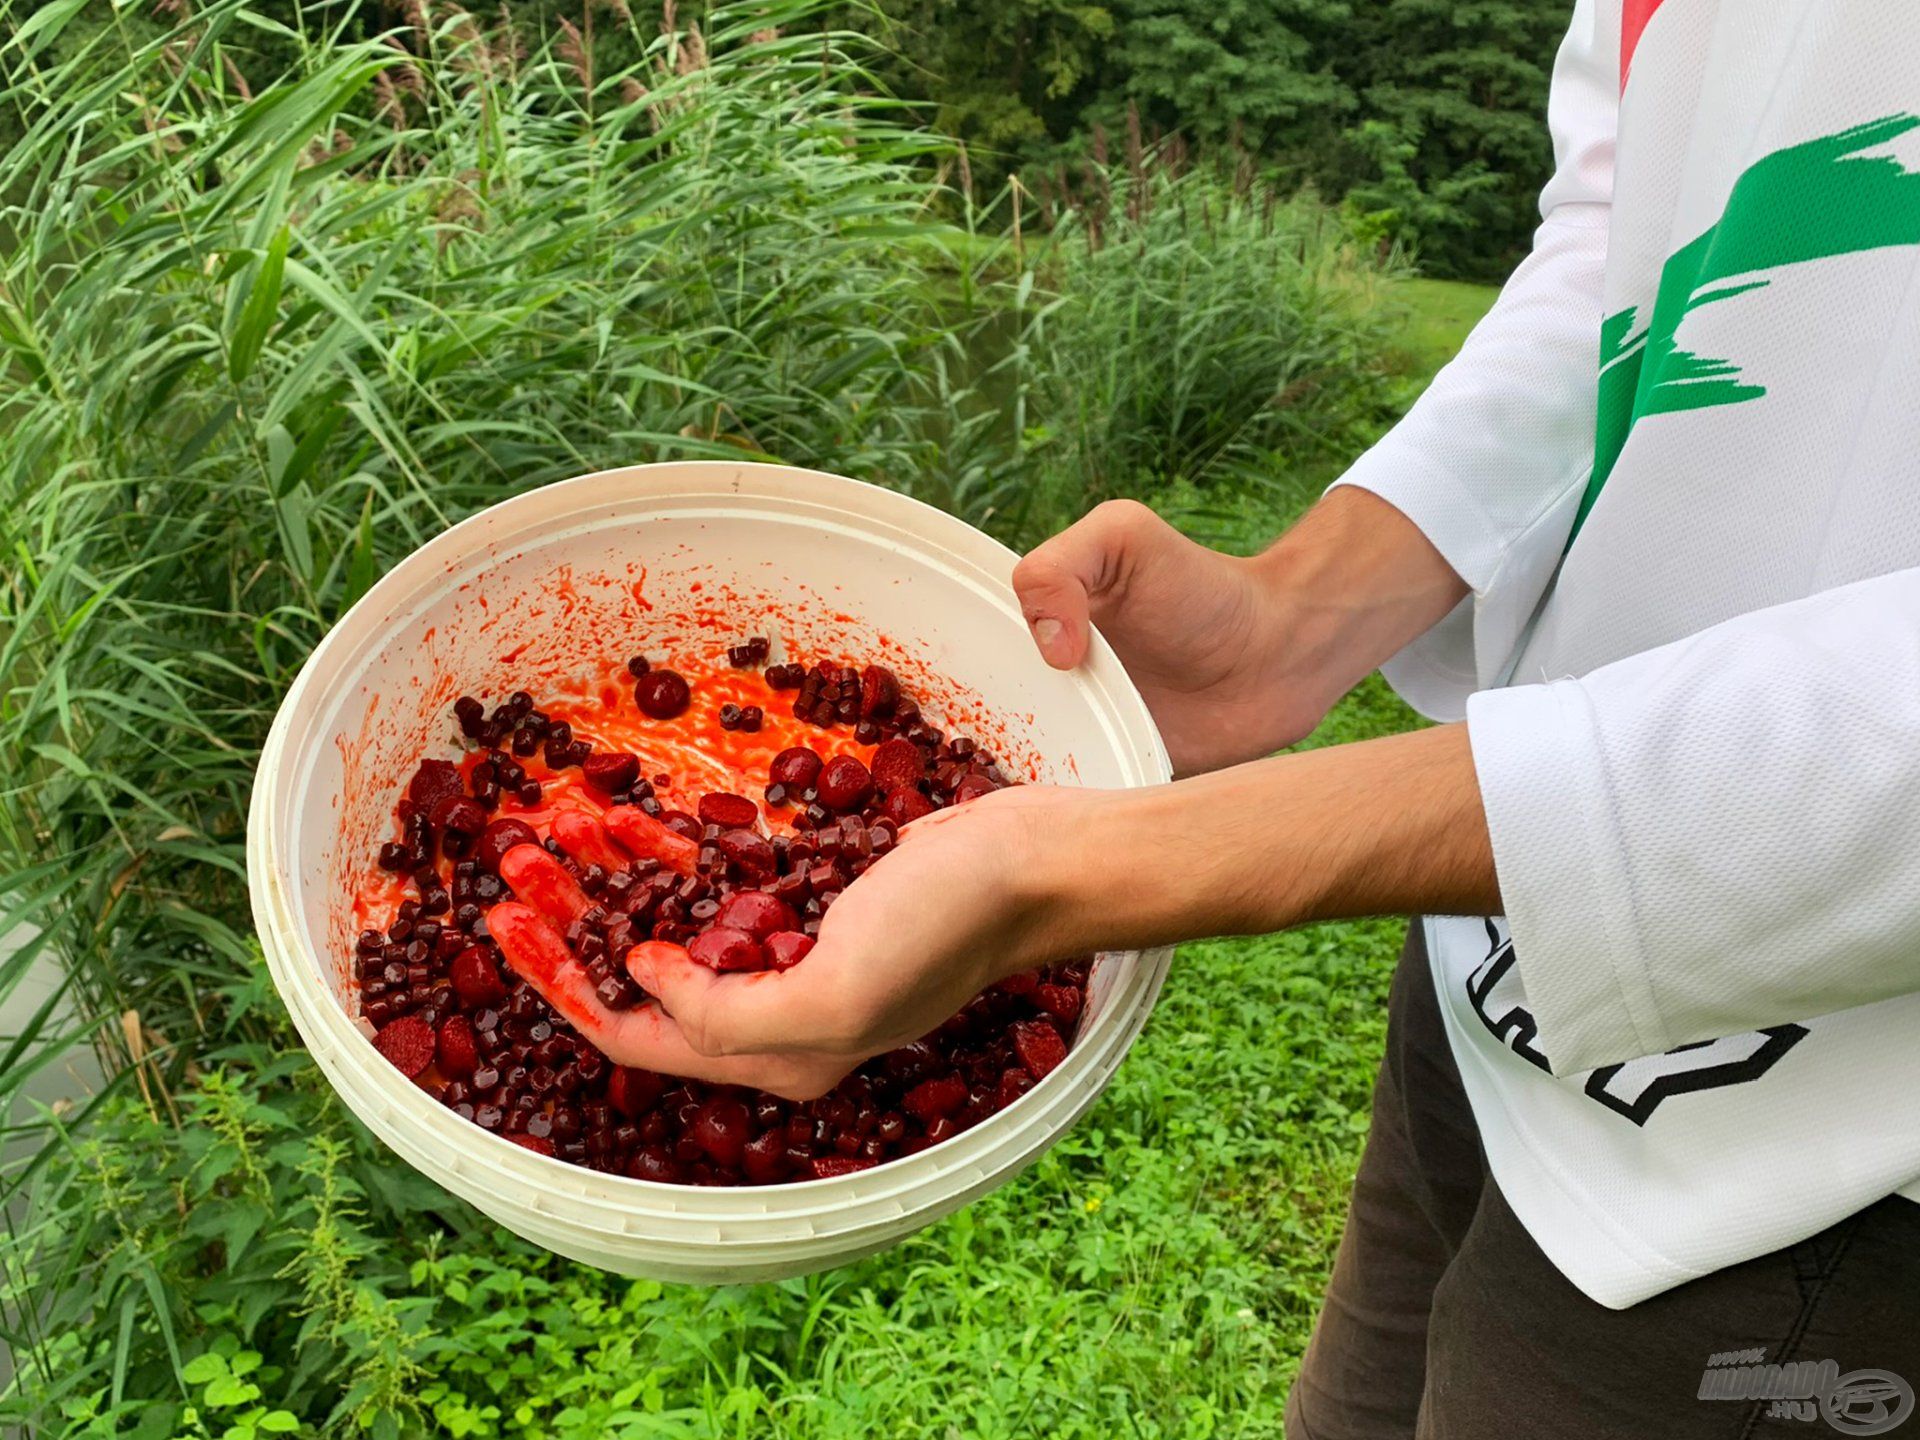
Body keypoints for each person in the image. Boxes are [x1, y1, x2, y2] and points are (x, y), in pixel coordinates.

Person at [546, 0, 1920, 1432]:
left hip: (1837, 1151)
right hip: (1504, 967)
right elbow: (1647, 234)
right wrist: (1294, 616)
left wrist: (1071, 871)